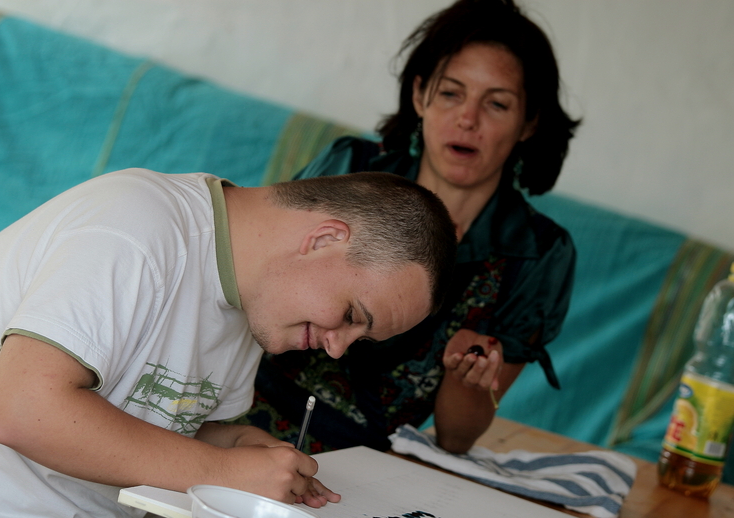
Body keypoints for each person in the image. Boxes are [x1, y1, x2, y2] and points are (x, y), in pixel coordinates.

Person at [0, 168, 456, 517]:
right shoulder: (137, 224)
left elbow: (153, 425)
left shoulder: (257, 300)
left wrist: (240, 446)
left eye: (359, 338)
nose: (336, 348)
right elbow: (23, 409)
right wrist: (222, 470)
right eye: (350, 316)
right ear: (324, 239)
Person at [237, 0, 579, 455]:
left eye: (497, 104)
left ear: (528, 122)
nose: (468, 119)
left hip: (361, 461)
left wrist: (467, 379)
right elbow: (250, 285)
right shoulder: (351, 167)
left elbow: (455, 438)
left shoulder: (538, 254)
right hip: (235, 407)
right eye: (451, 93)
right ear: (420, 95)